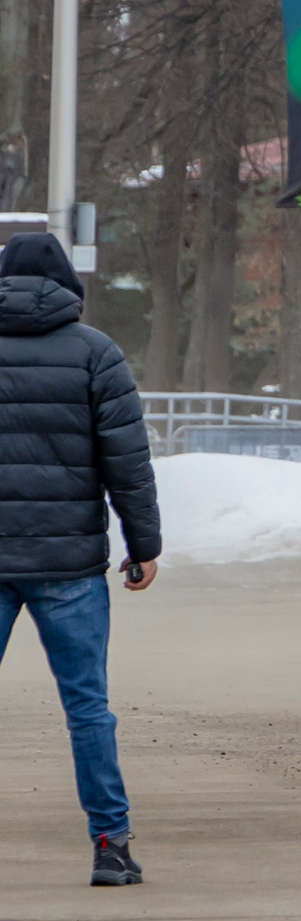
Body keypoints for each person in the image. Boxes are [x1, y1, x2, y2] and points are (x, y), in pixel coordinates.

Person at [0, 232, 159, 885]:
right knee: (87, 706)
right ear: (70, 286)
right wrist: (142, 544)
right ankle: (110, 845)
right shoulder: (97, 354)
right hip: (70, 565)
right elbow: (128, 462)